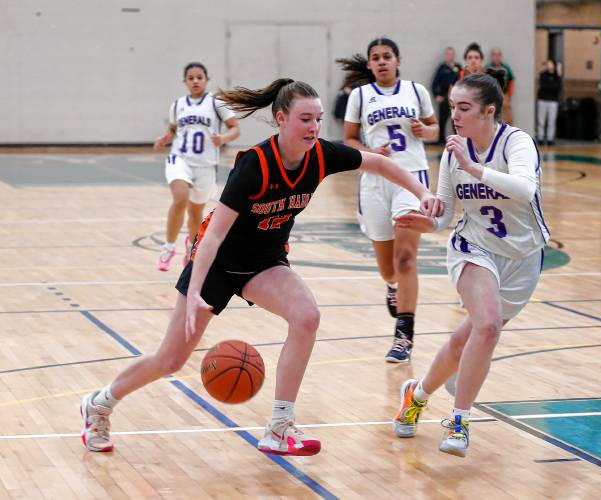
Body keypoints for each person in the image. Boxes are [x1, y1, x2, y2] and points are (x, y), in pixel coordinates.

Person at [80, 79, 442, 456]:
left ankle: (280, 427)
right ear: (281, 119)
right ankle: (99, 403)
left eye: (318, 119)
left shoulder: (321, 155)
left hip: (263, 263)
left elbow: (380, 163)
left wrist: (424, 193)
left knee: (307, 316)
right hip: (217, 264)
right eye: (305, 119)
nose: (314, 127)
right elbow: (213, 236)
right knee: (171, 358)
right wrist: (192, 296)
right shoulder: (255, 165)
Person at [391, 71, 550, 457]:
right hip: (473, 247)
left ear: (488, 111)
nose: (455, 115)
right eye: (452, 107)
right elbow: (445, 216)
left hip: (523, 258)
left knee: (469, 338)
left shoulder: (517, 142)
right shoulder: (453, 151)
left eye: (464, 108)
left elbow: (524, 188)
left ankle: (418, 393)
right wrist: (427, 217)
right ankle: (460, 421)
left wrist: (474, 167)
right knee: (489, 325)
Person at [338, 37, 439, 363]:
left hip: (411, 180)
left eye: (387, 56)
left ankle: (404, 335)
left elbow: (435, 129)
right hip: (375, 182)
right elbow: (350, 140)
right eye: (376, 58)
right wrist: (370, 152)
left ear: (398, 60)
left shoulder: (416, 91)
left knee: (407, 258)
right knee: (388, 268)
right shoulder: (360, 96)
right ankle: (393, 286)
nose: (381, 62)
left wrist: (426, 132)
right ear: (369, 65)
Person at [153, 63, 240, 272]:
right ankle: (168, 247)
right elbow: (173, 129)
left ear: (206, 79)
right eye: (190, 78)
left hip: (206, 165)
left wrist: (224, 138)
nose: (195, 81)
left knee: (195, 213)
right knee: (180, 199)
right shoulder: (177, 105)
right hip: (179, 159)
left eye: (199, 77)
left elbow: (235, 129)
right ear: (185, 81)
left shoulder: (216, 102)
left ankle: (191, 248)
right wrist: (166, 138)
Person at [431, 47, 462, 145]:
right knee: (442, 120)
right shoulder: (442, 68)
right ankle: (440, 141)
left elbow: (463, 81)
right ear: (445, 55)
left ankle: (459, 139)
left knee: (456, 120)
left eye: (451, 54)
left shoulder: (458, 67)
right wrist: (437, 95)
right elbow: (434, 84)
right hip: (445, 98)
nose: (450, 56)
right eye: (448, 54)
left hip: (456, 99)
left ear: (454, 55)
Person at [486, 47, 515, 124]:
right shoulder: (487, 68)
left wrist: (509, 95)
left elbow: (511, 80)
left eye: (498, 55)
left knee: (508, 118)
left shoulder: (506, 68)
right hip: (492, 97)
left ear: (500, 56)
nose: (496, 57)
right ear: (492, 56)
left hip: (504, 96)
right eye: (494, 55)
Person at [536, 59, 562, 146]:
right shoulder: (543, 75)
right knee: (541, 121)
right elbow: (543, 86)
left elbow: (558, 88)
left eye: (550, 64)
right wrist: (550, 87)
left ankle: (550, 139)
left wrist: (550, 87)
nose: (549, 65)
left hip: (553, 101)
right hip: (542, 100)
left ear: (554, 65)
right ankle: (540, 138)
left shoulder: (557, 76)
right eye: (547, 64)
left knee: (551, 121)